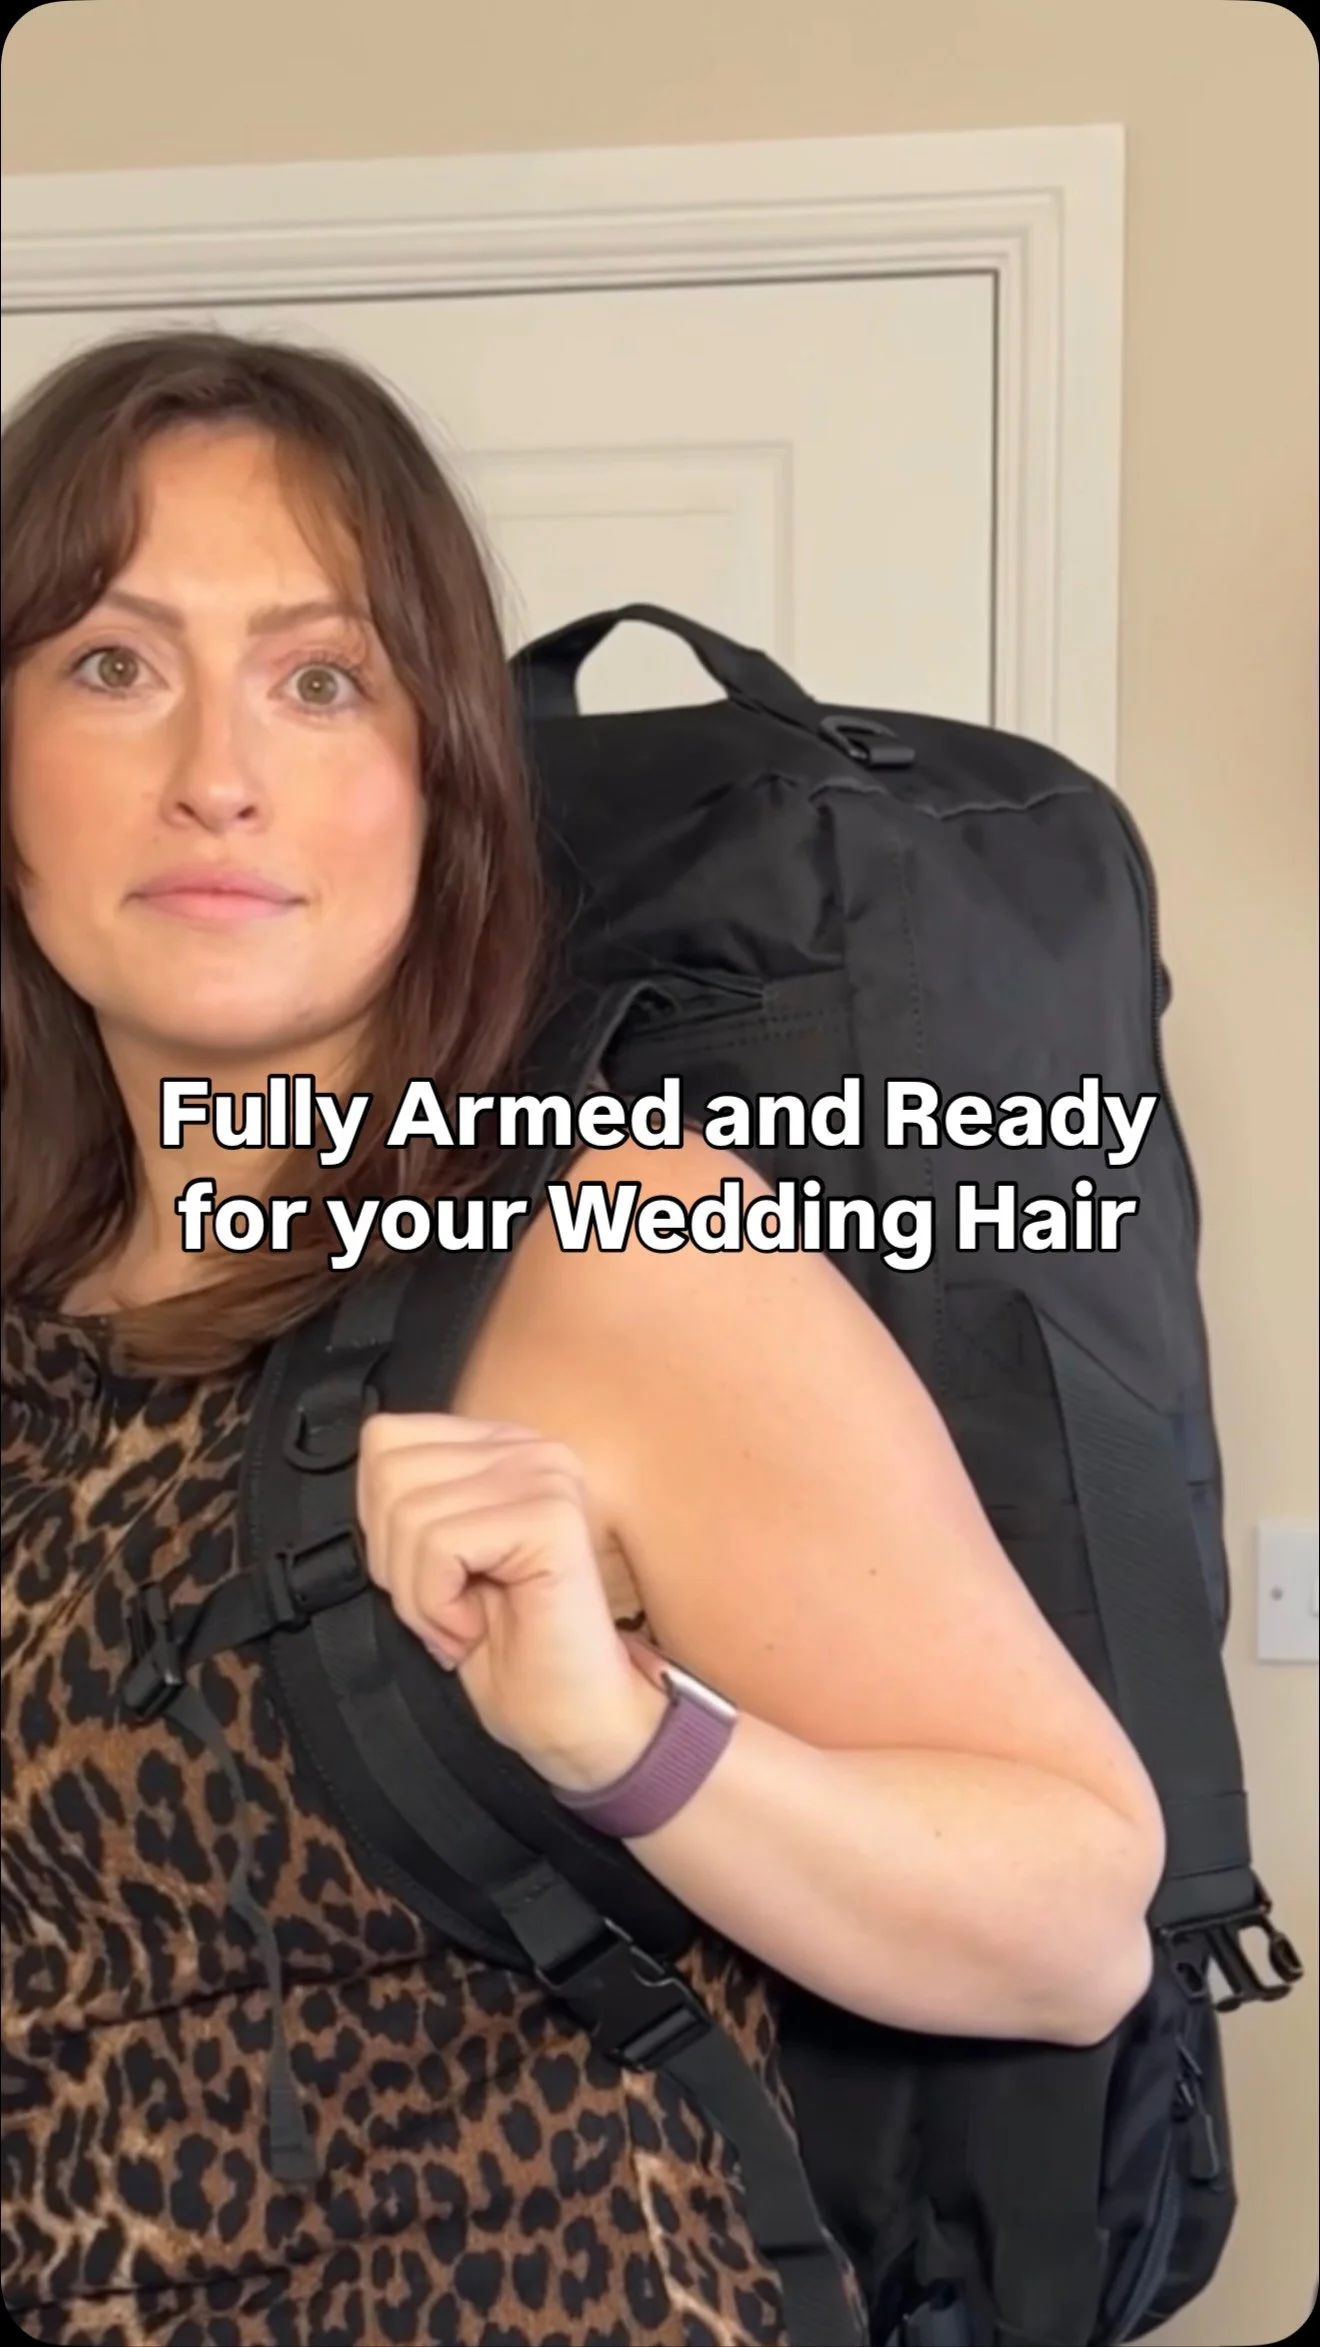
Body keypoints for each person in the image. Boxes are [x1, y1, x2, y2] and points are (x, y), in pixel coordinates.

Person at [0, 329, 1166, 2347]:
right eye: (112, 663)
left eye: (321, 678)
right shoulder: (45, 1307)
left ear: (437, 780)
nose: (216, 770)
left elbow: (1075, 1928)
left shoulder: (601, 1249)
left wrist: (628, 1736)